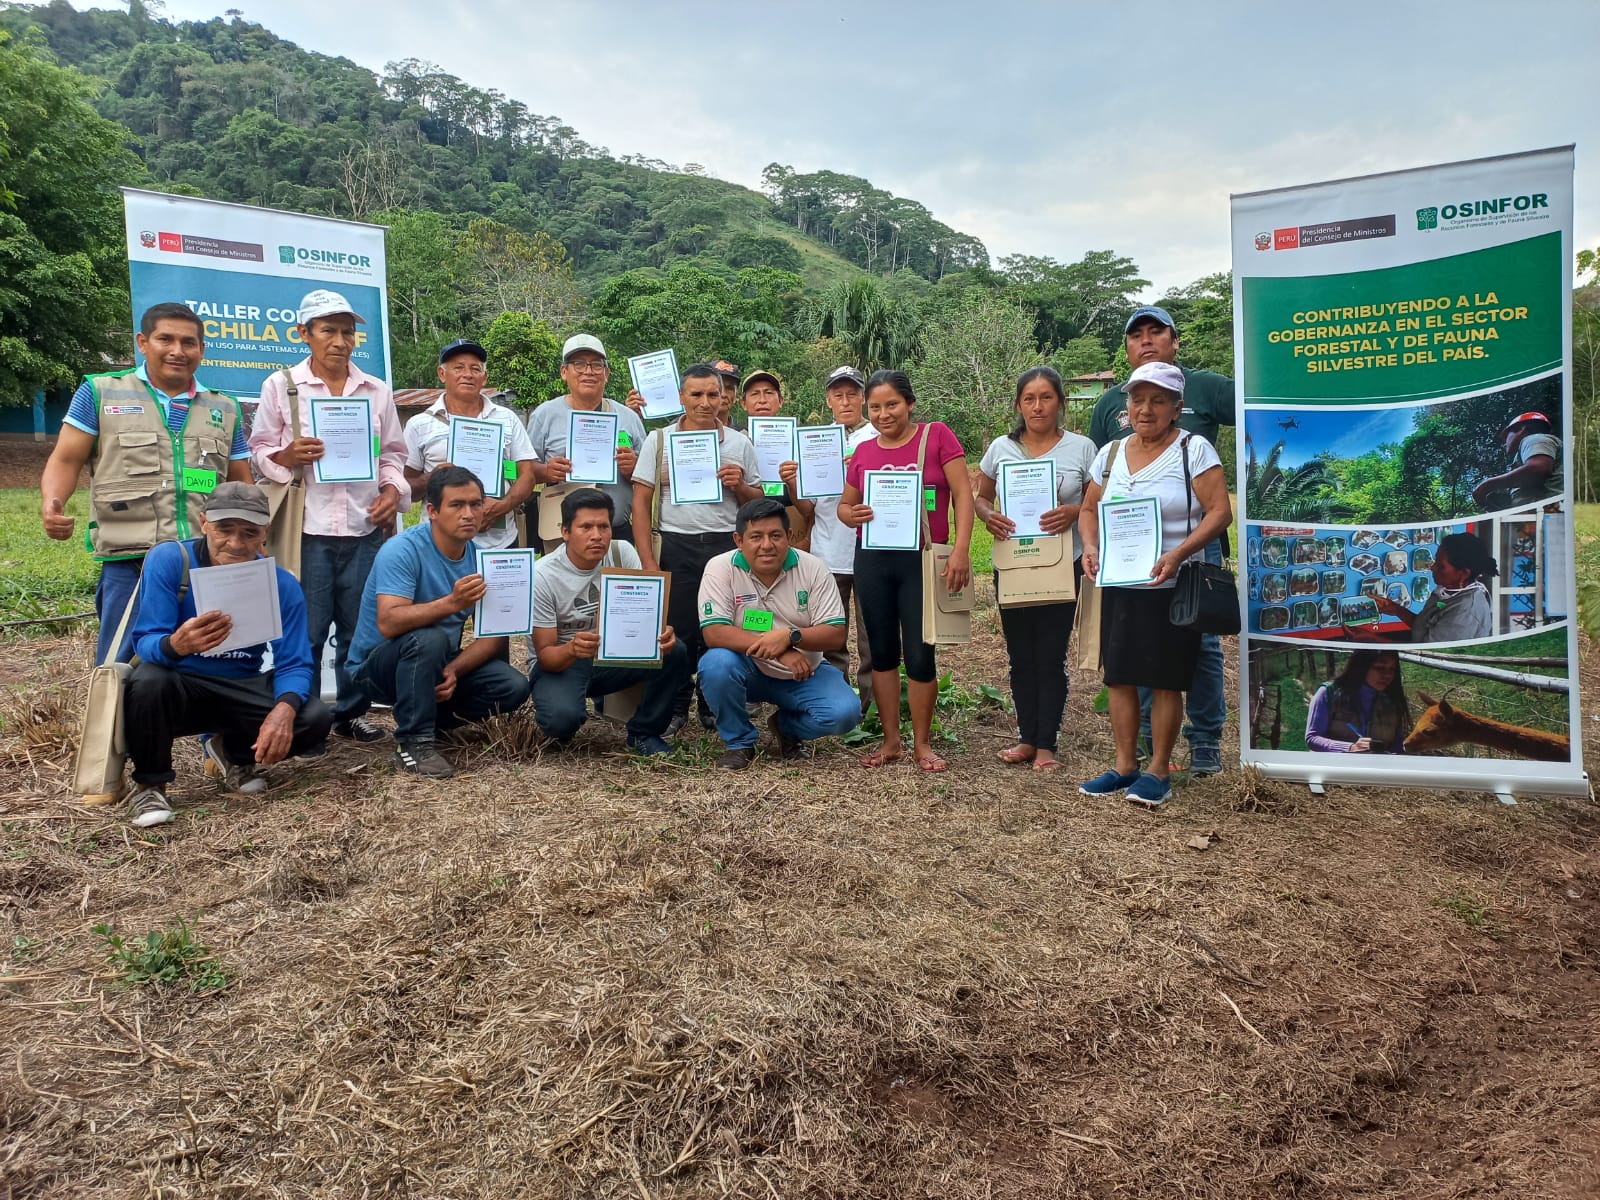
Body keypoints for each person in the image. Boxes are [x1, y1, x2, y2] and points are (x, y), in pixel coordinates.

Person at [40, 302, 252, 666]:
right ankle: (113, 725)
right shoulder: (102, 392)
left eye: (189, 342)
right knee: (119, 668)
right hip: (132, 561)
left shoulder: (225, 407)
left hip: (205, 561)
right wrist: (52, 502)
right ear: (142, 342)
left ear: (201, 349)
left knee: (216, 661)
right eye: (165, 339)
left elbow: (241, 483)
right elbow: (66, 458)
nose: (177, 351)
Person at [249, 289, 410, 743]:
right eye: (328, 330)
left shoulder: (376, 391)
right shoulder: (281, 386)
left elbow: (394, 455)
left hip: (365, 527)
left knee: (360, 631)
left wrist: (391, 490)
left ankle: (350, 714)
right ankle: (306, 721)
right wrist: (286, 454)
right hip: (308, 529)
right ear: (304, 334)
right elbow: (259, 450)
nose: (340, 340)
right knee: (309, 628)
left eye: (347, 331)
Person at [121, 483, 333, 827]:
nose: (236, 543)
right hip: (182, 685)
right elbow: (145, 641)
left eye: (250, 533)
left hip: (242, 684)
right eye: (224, 530)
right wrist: (176, 645)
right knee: (149, 680)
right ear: (203, 523)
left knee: (313, 716)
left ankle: (233, 753)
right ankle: (150, 783)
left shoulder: (281, 583)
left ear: (265, 533)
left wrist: (283, 709)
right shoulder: (172, 560)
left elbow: (294, 660)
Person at [1087, 305, 1234, 777]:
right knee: (1126, 667)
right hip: (1124, 567)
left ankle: (1200, 743)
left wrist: (1178, 553)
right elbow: (1092, 499)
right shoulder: (1110, 418)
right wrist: (1091, 546)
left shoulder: (1205, 399)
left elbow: (1219, 507)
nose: (1145, 409)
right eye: (1137, 334)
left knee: (1196, 650)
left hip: (1186, 558)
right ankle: (1140, 753)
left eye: (1157, 332)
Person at [344, 467, 531, 778]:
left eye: (476, 504)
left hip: (434, 664)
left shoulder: (483, 558)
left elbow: (495, 636)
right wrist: (452, 603)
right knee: (429, 638)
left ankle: (431, 720)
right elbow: (389, 623)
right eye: (457, 505)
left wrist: (453, 671)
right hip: (377, 668)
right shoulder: (401, 550)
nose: (469, 513)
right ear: (432, 511)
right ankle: (413, 743)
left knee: (512, 685)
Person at [837, 370, 974, 773]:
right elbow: (846, 507)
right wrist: (852, 513)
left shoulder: (936, 436)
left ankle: (923, 744)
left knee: (919, 653)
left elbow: (963, 495)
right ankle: (891, 742)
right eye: (875, 407)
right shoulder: (863, 451)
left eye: (892, 404)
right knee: (880, 652)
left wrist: (962, 549)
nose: (883, 414)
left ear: (910, 404)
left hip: (922, 558)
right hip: (874, 558)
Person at [975, 367, 1096, 772]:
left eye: (1046, 397)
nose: (1038, 406)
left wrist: (1074, 510)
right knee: (1019, 655)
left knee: (1050, 653)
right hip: (1013, 565)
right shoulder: (1000, 448)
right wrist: (988, 516)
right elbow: (980, 497)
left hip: (1063, 565)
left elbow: (1100, 503)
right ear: (1018, 404)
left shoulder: (1082, 449)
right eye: (1029, 398)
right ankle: (1026, 738)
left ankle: (1047, 744)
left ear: (1060, 402)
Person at [633, 363, 764, 733]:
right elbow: (641, 503)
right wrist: (647, 561)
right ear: (681, 397)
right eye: (696, 395)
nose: (705, 403)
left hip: (726, 547)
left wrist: (739, 485)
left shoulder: (739, 443)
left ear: (723, 397)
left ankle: (711, 702)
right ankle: (676, 704)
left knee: (720, 625)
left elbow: (757, 502)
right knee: (678, 630)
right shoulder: (658, 440)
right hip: (675, 543)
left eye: (712, 394)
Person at [698, 498, 861, 769]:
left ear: (788, 536)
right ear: (739, 540)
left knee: (844, 714)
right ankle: (739, 741)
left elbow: (835, 634)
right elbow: (714, 632)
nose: (766, 545)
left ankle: (786, 728)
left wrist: (790, 637)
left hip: (802, 672)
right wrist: (782, 650)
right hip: (746, 666)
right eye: (756, 536)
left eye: (775, 535)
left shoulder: (813, 568)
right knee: (715, 664)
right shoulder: (720, 567)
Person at [529, 487, 687, 756]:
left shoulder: (622, 553)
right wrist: (572, 649)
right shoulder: (542, 576)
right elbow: (545, 656)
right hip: (563, 661)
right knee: (560, 722)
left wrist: (661, 631)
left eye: (603, 526)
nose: (596, 535)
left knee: (675, 650)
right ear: (565, 532)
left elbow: (644, 615)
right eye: (586, 527)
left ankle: (644, 732)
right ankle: (565, 711)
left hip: (612, 655)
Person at [403, 339, 538, 552]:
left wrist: (502, 507)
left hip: (499, 543)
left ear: (484, 378)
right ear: (441, 374)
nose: (467, 374)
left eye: (475, 369)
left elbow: (527, 475)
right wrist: (431, 478)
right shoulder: (419, 425)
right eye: (458, 367)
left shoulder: (507, 419)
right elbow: (407, 489)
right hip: (441, 546)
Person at [526, 334, 646, 547]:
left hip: (616, 532)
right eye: (579, 364)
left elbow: (648, 479)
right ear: (564, 372)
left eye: (596, 365)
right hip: (562, 534)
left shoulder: (628, 417)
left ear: (606, 374)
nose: (588, 372)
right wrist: (545, 471)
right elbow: (523, 471)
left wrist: (633, 469)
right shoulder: (544, 415)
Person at [805, 366, 879, 706]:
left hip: (870, 549)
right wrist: (793, 479)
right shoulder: (814, 441)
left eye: (852, 394)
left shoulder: (878, 436)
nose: (846, 401)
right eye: (838, 394)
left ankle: (873, 708)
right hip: (827, 551)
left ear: (863, 397)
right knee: (830, 636)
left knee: (872, 637)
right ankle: (836, 704)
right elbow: (806, 506)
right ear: (828, 400)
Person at [1370, 533, 1496, 642]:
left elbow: (1424, 651)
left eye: (1441, 566)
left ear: (1463, 573)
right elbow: (1425, 628)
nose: (1433, 568)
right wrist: (1397, 610)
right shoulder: (1449, 592)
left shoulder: (1464, 612)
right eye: (1436, 560)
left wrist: (1367, 638)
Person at [1305, 651, 1410, 754]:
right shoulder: (1329, 693)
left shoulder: (1392, 704)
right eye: (1379, 667)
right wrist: (1350, 748)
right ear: (1361, 666)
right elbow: (1313, 738)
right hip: (1334, 768)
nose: (1387, 675)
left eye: (1392, 669)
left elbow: (1397, 747)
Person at [1472, 411, 1562, 509]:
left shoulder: (1533, 439)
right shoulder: (1535, 445)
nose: (1504, 444)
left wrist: (1488, 485)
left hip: (1549, 510)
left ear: (1521, 430)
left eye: (1506, 437)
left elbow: (1538, 468)